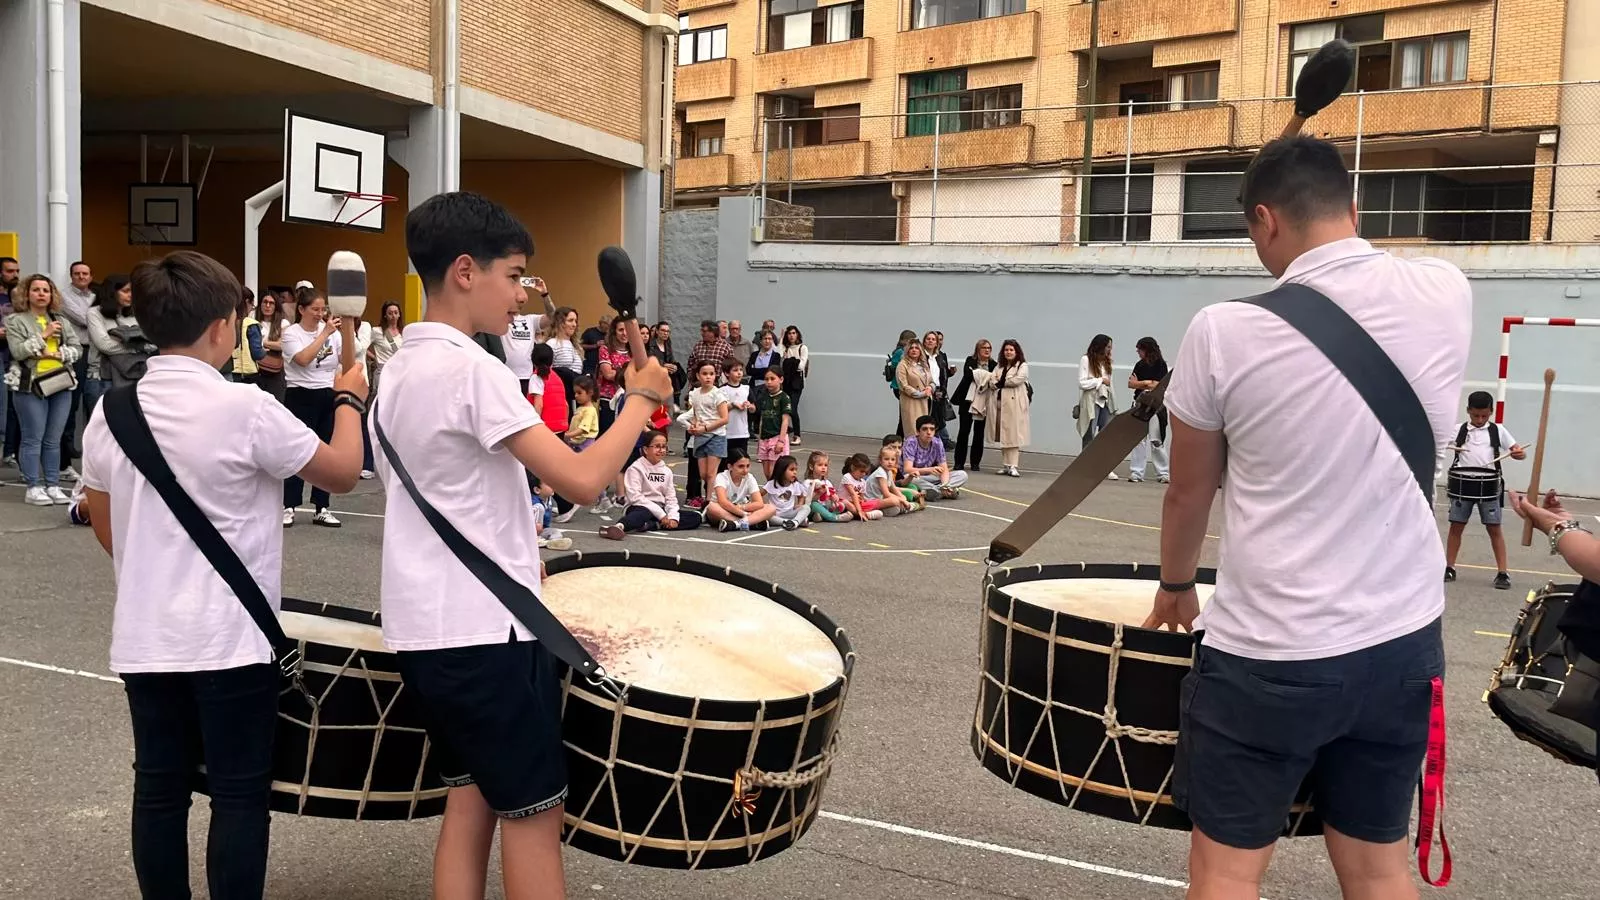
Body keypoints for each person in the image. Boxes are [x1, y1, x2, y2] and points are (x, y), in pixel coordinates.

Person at [1143, 136, 1471, 899]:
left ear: (1264, 221)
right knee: (1380, 865)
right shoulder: (1447, 291)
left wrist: (1177, 585)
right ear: (1354, 208)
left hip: (1270, 654)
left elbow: (1187, 493)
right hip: (1402, 645)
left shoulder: (1223, 330)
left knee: (1227, 872)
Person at [372, 190, 672, 900]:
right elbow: (583, 478)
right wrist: (638, 404)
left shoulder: (396, 372)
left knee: (470, 803)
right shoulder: (472, 371)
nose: (522, 296)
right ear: (467, 271)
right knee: (535, 816)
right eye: (515, 276)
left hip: (423, 630)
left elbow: (454, 497)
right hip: (485, 636)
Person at [78, 249, 366, 900]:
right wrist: (348, 398)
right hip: (234, 643)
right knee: (238, 797)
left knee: (158, 790)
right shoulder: (246, 410)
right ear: (220, 328)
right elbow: (343, 473)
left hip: (147, 637)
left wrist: (157, 565)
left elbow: (105, 525)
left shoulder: (112, 414)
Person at [5, 273, 82, 505]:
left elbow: (77, 347)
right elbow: (18, 352)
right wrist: (44, 335)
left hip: (60, 382)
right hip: (30, 385)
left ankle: (53, 485)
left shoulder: (61, 319)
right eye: (36, 290)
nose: (41, 294)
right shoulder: (15, 321)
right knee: (32, 438)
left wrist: (61, 353)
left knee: (53, 439)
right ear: (26, 294)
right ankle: (33, 486)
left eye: (46, 290)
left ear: (52, 295)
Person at [278, 288, 346, 527]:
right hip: (300, 393)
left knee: (325, 450)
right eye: (315, 309)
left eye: (323, 309)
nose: (320, 314)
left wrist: (345, 331)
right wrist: (325, 333)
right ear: (301, 310)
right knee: (297, 449)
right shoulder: (291, 334)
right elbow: (303, 360)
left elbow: (344, 361)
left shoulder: (333, 333)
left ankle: (321, 506)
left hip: (327, 392)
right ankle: (289, 505)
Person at [1444, 390, 1525, 588]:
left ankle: (1503, 572)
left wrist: (1518, 454)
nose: (1480, 419)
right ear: (1468, 411)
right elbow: (1438, 444)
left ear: (1491, 412)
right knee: (1456, 527)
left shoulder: (1498, 430)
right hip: (1463, 484)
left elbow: (1518, 452)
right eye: (1475, 415)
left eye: (1484, 415)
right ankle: (1449, 567)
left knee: (1494, 528)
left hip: (1489, 486)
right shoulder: (1458, 430)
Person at [600, 429, 701, 539]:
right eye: (657, 446)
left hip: (660, 508)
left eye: (664, 446)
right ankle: (619, 526)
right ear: (646, 449)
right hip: (639, 507)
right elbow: (635, 497)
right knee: (643, 514)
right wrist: (661, 515)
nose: (661, 450)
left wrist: (673, 517)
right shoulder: (635, 468)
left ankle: (651, 525)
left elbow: (670, 498)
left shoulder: (666, 471)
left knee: (695, 517)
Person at [59, 260, 95, 479]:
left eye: (85, 273)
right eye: (77, 274)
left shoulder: (94, 297)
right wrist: (98, 316)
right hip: (77, 352)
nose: (81, 277)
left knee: (91, 401)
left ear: (91, 276)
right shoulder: (64, 297)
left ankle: (84, 447)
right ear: (71, 276)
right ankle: (68, 448)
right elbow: (85, 319)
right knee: (72, 403)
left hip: (95, 352)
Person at [973, 339, 1030, 478]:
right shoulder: (999, 366)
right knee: (1003, 434)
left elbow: (1018, 380)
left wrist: (1000, 382)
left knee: (1013, 434)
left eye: (1011, 350)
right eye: (1006, 350)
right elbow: (992, 380)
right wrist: (997, 382)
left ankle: (1014, 465)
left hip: (1014, 404)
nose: (1008, 352)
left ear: (1016, 352)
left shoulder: (1022, 365)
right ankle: (1006, 464)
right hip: (999, 405)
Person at [85, 274, 135, 416]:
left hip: (129, 376)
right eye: (125, 291)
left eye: (132, 291)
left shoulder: (132, 314)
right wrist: (136, 348)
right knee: (101, 429)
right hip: (102, 378)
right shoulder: (94, 313)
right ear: (112, 292)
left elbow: (149, 342)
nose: (130, 295)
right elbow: (104, 345)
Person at [684, 361, 729, 509]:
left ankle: (709, 501)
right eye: (704, 374)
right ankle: (713, 497)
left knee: (711, 473)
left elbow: (724, 418)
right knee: (703, 474)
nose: (708, 377)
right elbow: (696, 414)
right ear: (698, 375)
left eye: (711, 374)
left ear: (716, 375)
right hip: (700, 436)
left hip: (716, 436)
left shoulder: (718, 394)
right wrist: (694, 426)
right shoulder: (695, 394)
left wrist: (707, 428)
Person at [1127, 336, 1170, 484]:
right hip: (1140, 404)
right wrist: (1147, 383)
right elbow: (1130, 384)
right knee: (1138, 440)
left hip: (1155, 405)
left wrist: (1141, 383)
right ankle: (1136, 472)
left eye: (1140, 349)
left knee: (1156, 439)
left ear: (1147, 349)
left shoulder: (1161, 365)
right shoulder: (1139, 365)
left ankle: (1163, 473)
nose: (1138, 352)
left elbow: (1159, 385)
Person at [1077, 333, 1118, 480]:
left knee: (1105, 434)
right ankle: (1085, 466)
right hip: (1091, 399)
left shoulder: (1107, 362)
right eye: (1107, 347)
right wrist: (1100, 380)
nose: (1109, 350)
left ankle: (1105, 467)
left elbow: (1110, 383)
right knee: (1089, 433)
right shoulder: (1086, 360)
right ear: (1100, 346)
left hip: (1105, 399)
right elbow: (1082, 383)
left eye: (1110, 347)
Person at [707, 448, 776, 532]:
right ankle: (752, 523)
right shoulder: (721, 477)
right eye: (741, 466)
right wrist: (744, 514)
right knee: (712, 507)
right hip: (724, 511)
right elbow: (723, 502)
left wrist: (741, 507)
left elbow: (759, 503)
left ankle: (736, 524)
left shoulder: (749, 477)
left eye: (748, 466)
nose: (745, 470)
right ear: (730, 466)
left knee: (771, 508)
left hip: (742, 508)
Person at [952, 339, 995, 472]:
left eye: (989, 348)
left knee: (979, 433)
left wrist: (979, 374)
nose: (987, 350)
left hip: (984, 402)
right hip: (968, 401)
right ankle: (959, 462)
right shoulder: (970, 360)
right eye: (984, 348)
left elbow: (994, 379)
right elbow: (968, 375)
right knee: (964, 432)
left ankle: (975, 462)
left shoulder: (994, 364)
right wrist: (985, 376)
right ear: (978, 350)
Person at [902, 415, 967, 499]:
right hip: (916, 477)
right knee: (909, 477)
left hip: (931, 478)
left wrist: (945, 485)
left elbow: (944, 469)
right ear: (918, 431)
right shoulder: (911, 442)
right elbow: (907, 469)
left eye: (932, 429)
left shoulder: (937, 443)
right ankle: (946, 491)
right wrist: (929, 469)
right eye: (925, 429)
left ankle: (938, 491)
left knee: (962, 474)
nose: (929, 432)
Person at [753, 367, 793, 481]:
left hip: (776, 437)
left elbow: (785, 420)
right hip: (764, 438)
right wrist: (760, 439)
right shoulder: (764, 396)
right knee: (767, 473)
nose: (769, 382)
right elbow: (762, 419)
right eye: (766, 379)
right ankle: (773, 495)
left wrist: (781, 441)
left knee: (774, 472)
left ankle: (778, 496)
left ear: (781, 379)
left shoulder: (784, 398)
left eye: (772, 379)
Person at [544, 306, 583, 417]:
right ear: (560, 322)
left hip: (575, 393)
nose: (574, 324)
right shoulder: (552, 343)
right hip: (560, 393)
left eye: (575, 321)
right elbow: (547, 371)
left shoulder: (575, 345)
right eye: (570, 320)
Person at [595, 317, 631, 435]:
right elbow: (608, 374)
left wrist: (618, 371)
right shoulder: (605, 349)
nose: (624, 333)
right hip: (609, 400)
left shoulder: (633, 352)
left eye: (627, 330)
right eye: (621, 330)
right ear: (614, 331)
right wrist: (630, 371)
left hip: (628, 400)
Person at [803, 451, 856, 523]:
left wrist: (834, 498)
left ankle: (820, 516)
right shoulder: (808, 482)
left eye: (825, 465)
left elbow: (832, 496)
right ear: (811, 467)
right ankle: (834, 517)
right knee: (814, 504)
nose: (823, 468)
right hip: (811, 508)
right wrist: (819, 493)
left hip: (824, 507)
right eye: (820, 465)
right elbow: (807, 501)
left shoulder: (827, 482)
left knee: (840, 505)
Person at [254, 293, 288, 402]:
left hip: (275, 370)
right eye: (265, 302)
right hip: (256, 369)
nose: (267, 305)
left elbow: (283, 345)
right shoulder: (253, 321)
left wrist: (262, 343)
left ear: (276, 306)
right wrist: (272, 344)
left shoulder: (283, 323)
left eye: (271, 303)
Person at [866, 444, 919, 515]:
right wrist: (900, 500)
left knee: (901, 499)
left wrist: (901, 497)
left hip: (880, 498)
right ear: (881, 461)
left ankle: (901, 507)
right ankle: (885, 510)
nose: (890, 462)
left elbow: (893, 488)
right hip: (871, 500)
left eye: (893, 459)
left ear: (896, 461)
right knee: (895, 501)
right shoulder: (880, 473)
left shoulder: (889, 472)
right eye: (886, 459)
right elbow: (886, 493)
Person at [896, 340, 932, 439]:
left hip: (924, 402)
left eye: (916, 348)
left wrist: (930, 387)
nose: (914, 350)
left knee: (923, 432)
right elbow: (903, 385)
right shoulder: (903, 365)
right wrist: (920, 394)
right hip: (911, 402)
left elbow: (931, 380)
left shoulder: (923, 364)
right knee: (913, 432)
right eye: (911, 348)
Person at [763, 454, 810, 530]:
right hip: (776, 514)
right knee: (766, 516)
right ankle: (788, 522)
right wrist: (765, 506)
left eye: (796, 470)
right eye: (791, 470)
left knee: (806, 507)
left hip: (790, 513)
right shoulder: (772, 484)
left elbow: (801, 496)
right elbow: (758, 494)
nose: (795, 472)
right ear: (781, 470)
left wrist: (800, 504)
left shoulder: (795, 484)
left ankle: (795, 522)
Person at [780, 325, 809, 444]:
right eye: (789, 333)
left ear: (797, 334)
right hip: (786, 381)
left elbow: (801, 365)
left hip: (796, 382)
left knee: (793, 408)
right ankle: (784, 431)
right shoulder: (786, 348)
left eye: (793, 333)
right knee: (783, 407)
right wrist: (781, 339)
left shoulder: (802, 347)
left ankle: (797, 435)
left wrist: (790, 362)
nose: (791, 335)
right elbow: (779, 356)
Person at [839, 452, 888, 519]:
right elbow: (853, 494)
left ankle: (860, 514)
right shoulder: (847, 477)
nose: (864, 474)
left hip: (856, 503)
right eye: (862, 471)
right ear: (853, 468)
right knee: (847, 504)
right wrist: (859, 510)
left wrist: (862, 500)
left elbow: (862, 496)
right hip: (845, 501)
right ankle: (863, 514)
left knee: (873, 503)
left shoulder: (863, 482)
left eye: (866, 472)